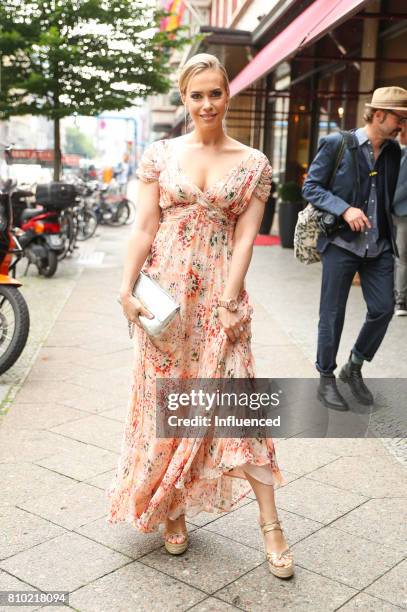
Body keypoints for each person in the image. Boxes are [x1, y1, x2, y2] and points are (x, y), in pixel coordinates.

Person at [106, 53, 294, 579]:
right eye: (196, 95)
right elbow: (144, 227)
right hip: (165, 301)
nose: (207, 103)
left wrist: (232, 301)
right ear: (184, 99)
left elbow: (244, 239)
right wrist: (126, 290)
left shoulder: (253, 162)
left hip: (219, 299)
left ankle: (272, 526)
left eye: (215, 92)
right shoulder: (161, 155)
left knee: (238, 405)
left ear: (227, 94)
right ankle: (173, 507)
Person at [303, 87, 407, 411]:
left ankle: (355, 365)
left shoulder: (393, 151)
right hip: (341, 243)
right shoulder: (338, 144)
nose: (402, 125)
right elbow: (311, 187)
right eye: (399, 118)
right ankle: (326, 379)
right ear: (379, 115)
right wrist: (344, 209)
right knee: (332, 314)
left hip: (377, 246)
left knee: (383, 308)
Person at [392, 122, 407, 316]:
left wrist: (387, 200)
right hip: (395, 213)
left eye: (402, 131)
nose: (399, 134)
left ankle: (401, 301)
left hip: (403, 213)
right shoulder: (401, 154)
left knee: (402, 256)